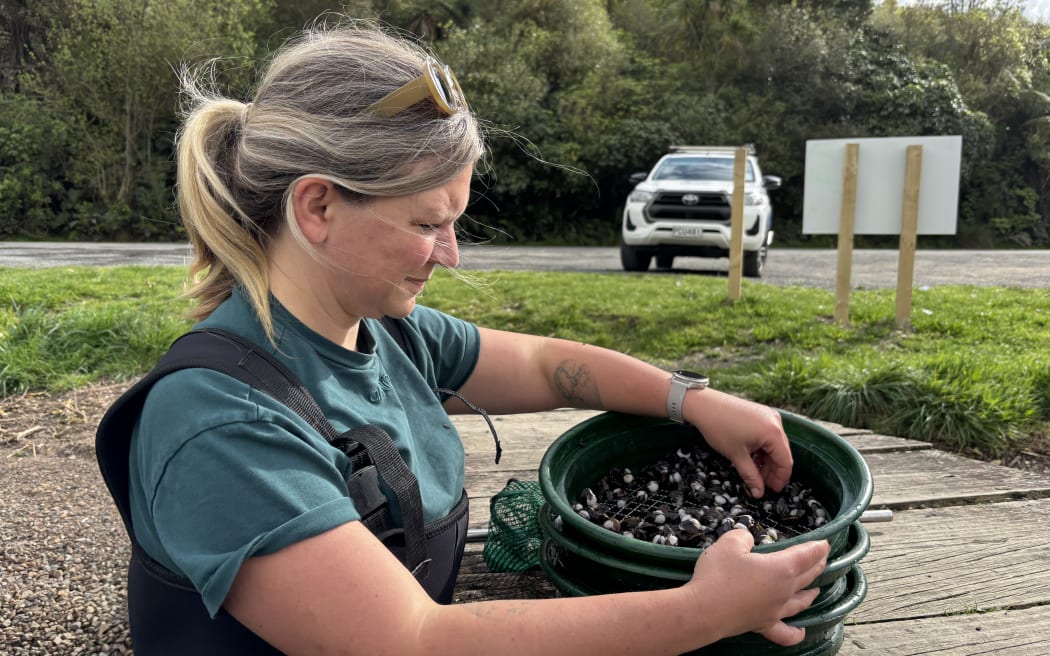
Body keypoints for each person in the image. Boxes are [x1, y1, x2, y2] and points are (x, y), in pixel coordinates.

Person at [102, 18, 829, 656]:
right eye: (427, 223)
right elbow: (411, 640)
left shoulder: (385, 331)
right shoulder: (222, 425)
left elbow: (546, 364)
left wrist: (691, 400)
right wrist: (701, 613)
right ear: (317, 205)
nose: (452, 253)